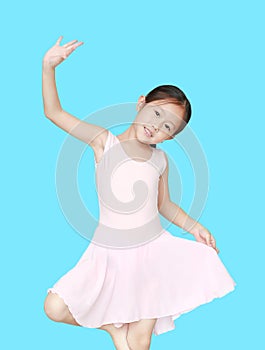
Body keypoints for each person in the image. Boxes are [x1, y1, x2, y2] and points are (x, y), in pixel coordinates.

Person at [42, 36, 236, 350]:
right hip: (107, 253)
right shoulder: (104, 142)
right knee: (54, 307)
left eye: (168, 127)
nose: (157, 126)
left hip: (152, 254)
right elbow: (54, 112)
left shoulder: (160, 160)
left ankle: (127, 334)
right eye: (157, 113)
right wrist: (47, 68)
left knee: (141, 340)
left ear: (171, 138)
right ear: (141, 102)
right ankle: (112, 328)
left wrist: (196, 227)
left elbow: (165, 205)